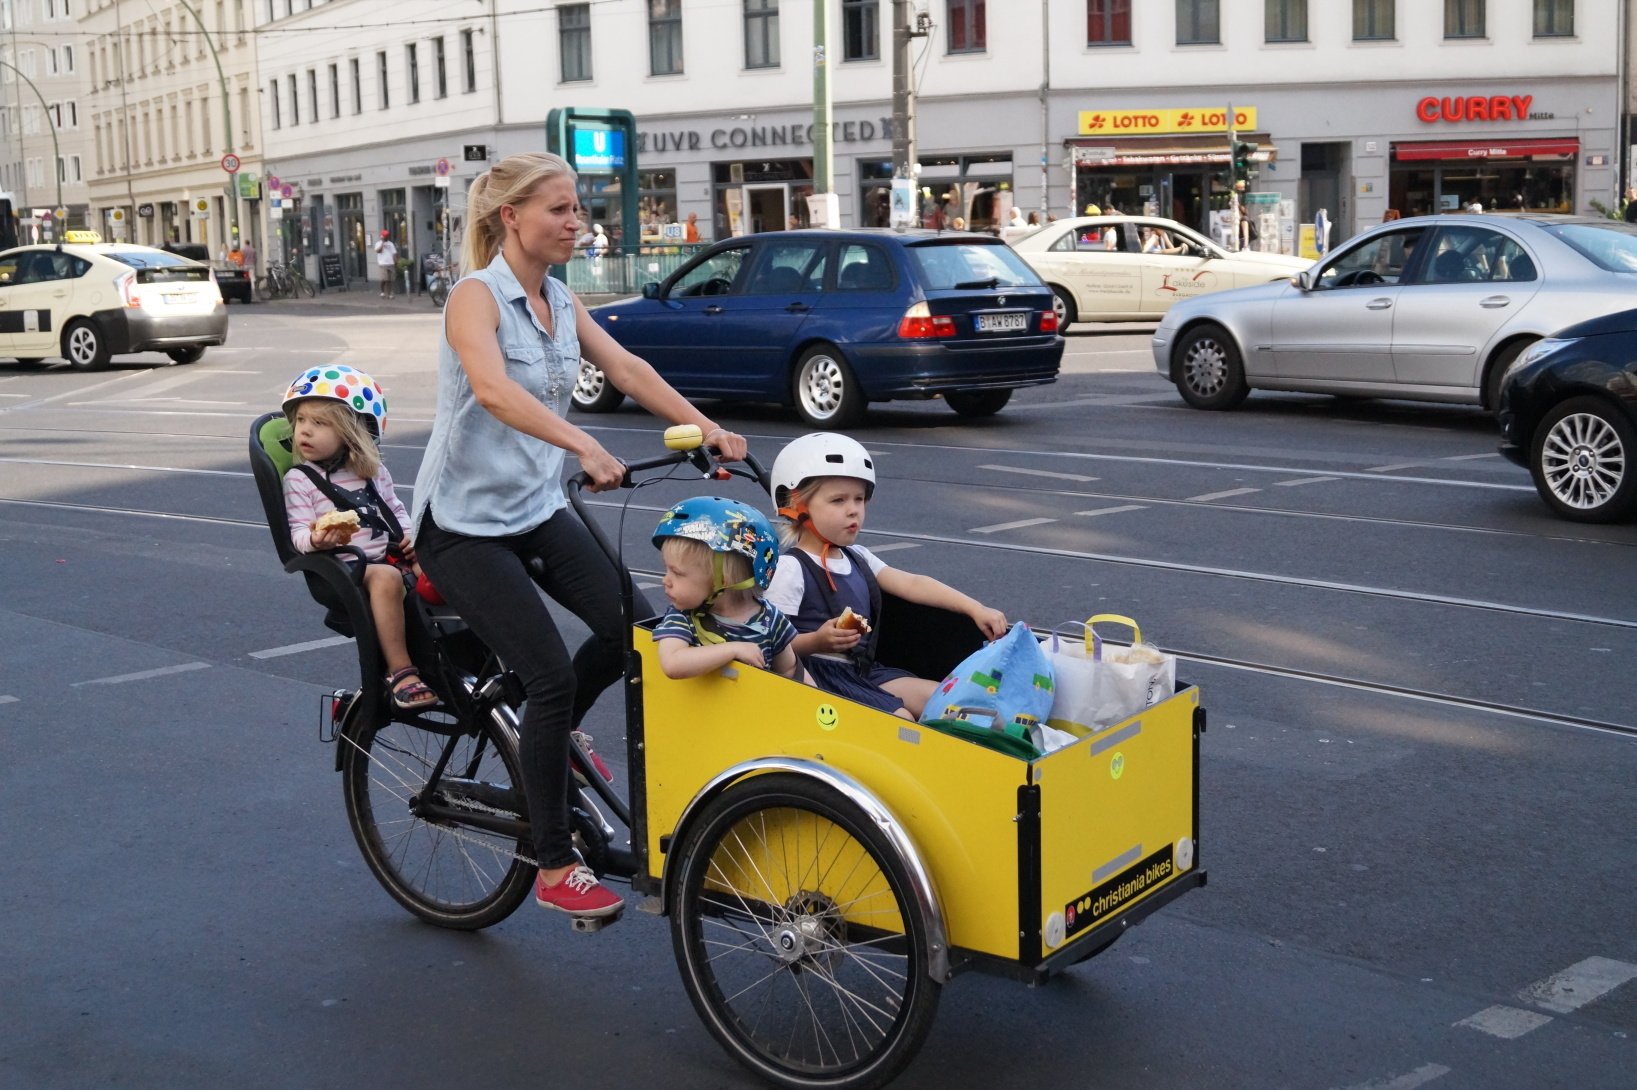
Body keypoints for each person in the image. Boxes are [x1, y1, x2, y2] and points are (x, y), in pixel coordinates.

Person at [411, 151, 748, 921]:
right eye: (559, 209)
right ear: (512, 218)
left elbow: (626, 369)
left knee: (639, 631)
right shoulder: (475, 298)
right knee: (550, 679)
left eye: (577, 209)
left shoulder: (560, 301)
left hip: (532, 506)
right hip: (461, 527)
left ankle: (545, 737)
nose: (576, 222)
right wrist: (581, 445)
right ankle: (554, 862)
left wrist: (705, 428)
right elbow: (493, 390)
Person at [764, 433, 1007, 721]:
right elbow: (769, 643)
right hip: (817, 678)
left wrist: (975, 608)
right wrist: (817, 640)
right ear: (796, 505)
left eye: (859, 498)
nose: (853, 509)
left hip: (862, 670)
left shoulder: (859, 557)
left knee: (947, 698)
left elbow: (913, 583)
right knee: (900, 719)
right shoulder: (790, 568)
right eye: (838, 500)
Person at [281, 364, 435, 712]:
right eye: (301, 420)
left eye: (319, 424)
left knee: (444, 566)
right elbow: (298, 535)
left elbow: (395, 509)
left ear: (351, 432)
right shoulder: (300, 479)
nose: (304, 431)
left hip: (387, 554)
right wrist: (318, 540)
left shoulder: (373, 471)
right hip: (345, 566)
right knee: (386, 577)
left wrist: (411, 536)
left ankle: (448, 661)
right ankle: (400, 671)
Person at [651, 497, 799, 682]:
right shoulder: (683, 618)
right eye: (667, 569)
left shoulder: (770, 619)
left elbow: (790, 670)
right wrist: (733, 649)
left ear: (723, 579)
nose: (665, 580)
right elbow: (673, 663)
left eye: (677, 573)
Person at [375, 229, 398, 299]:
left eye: (387, 236)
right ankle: (382, 292)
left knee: (390, 279)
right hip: (383, 263)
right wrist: (382, 242)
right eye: (385, 236)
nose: (387, 237)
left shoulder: (391, 244)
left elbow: (394, 253)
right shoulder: (378, 243)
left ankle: (390, 293)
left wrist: (395, 261)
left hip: (390, 263)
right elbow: (378, 251)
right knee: (385, 279)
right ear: (382, 236)